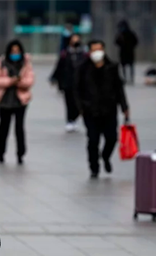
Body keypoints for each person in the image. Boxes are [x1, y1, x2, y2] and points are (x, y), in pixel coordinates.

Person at [74, 40, 129, 178]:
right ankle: (94, 167)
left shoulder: (112, 67)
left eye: (99, 49)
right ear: (89, 52)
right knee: (93, 139)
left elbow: (119, 88)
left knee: (112, 138)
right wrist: (80, 107)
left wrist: (124, 106)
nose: (97, 53)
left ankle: (105, 156)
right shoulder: (83, 67)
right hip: (90, 110)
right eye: (94, 50)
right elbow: (76, 89)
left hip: (109, 109)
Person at [0, 39, 35, 164]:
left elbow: (30, 80)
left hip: (21, 100)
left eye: (17, 51)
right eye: (13, 51)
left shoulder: (26, 63)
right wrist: (10, 81)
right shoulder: (2, 62)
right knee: (3, 128)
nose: (15, 53)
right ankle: (1, 153)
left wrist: (19, 81)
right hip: (4, 100)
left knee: (19, 128)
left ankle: (20, 154)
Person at [51, 34, 87, 132]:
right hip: (68, 83)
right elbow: (59, 67)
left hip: (80, 84)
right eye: (73, 39)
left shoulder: (83, 54)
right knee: (69, 102)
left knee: (79, 103)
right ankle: (69, 120)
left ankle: (74, 117)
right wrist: (54, 78)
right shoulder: (65, 54)